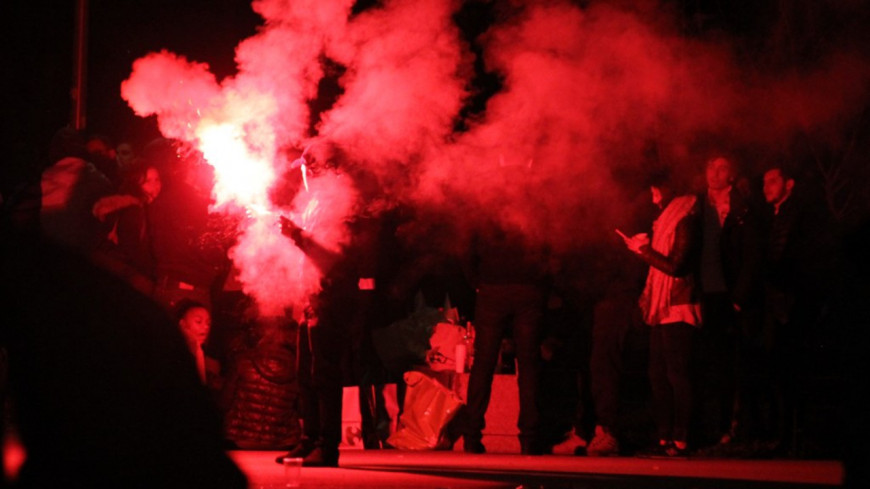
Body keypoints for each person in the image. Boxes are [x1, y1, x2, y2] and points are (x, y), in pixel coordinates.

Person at [621, 171, 701, 457]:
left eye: (656, 192)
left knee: (676, 372)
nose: (653, 198)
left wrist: (644, 251)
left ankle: (682, 437)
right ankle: (664, 435)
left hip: (678, 304)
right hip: (660, 305)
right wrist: (642, 250)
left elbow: (676, 266)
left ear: (668, 191)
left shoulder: (685, 219)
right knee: (657, 373)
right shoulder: (664, 221)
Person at [461, 217, 551, 455]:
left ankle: (471, 436)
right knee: (529, 365)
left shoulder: (485, 207)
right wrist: (540, 283)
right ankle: (530, 438)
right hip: (527, 288)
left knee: (483, 363)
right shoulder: (536, 206)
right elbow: (549, 248)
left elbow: (467, 251)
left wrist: (477, 282)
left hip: (492, 288)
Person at [694, 154, 762, 451]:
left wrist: (739, 297)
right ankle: (711, 427)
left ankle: (733, 427)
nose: (714, 173)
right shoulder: (697, 205)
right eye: (711, 166)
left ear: (731, 175)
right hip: (703, 293)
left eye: (722, 168)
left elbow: (752, 255)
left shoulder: (742, 207)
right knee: (707, 364)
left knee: (732, 365)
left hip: (729, 295)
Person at [176, 299, 213, 384]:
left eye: (208, 323)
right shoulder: (174, 353)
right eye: (198, 321)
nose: (206, 327)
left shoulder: (201, 351)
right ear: (182, 324)